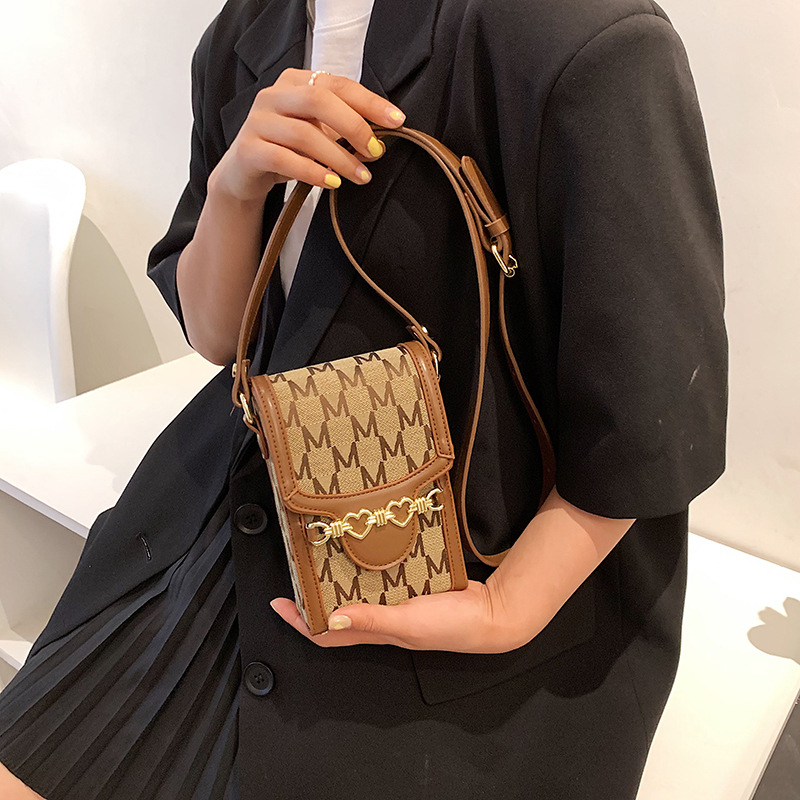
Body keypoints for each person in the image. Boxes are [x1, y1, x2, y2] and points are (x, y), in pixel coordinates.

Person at [0, 0, 728, 797]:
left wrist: (505, 608)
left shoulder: (577, 36)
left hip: (474, 582)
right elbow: (219, 337)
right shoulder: (245, 33)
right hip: (229, 518)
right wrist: (234, 189)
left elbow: (655, 407)